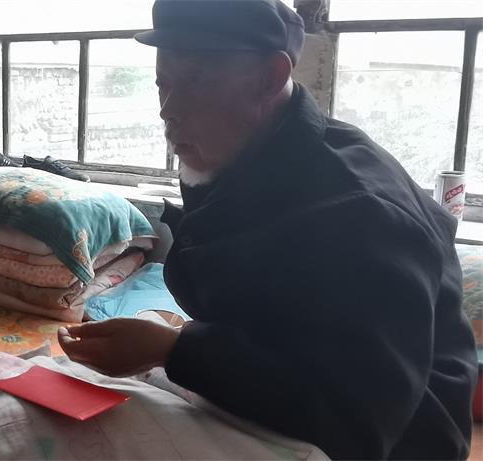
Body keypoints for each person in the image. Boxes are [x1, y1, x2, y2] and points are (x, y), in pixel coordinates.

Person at [58, 0, 478, 459]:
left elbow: (357, 414)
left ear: (270, 77)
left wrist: (175, 351)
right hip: (280, 395)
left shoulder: (360, 211)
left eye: (196, 82)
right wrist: (176, 347)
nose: (168, 109)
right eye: (163, 83)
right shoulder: (239, 156)